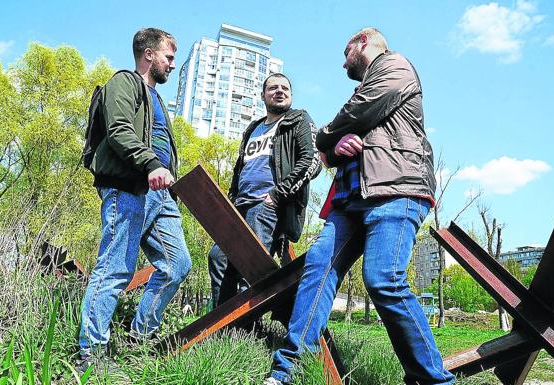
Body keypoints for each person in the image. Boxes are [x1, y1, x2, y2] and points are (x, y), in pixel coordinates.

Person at [263, 28, 454, 385]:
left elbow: (356, 113)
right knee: (318, 268)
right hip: (350, 201)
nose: (342, 62)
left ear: (363, 41)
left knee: (384, 280)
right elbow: (333, 152)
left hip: (396, 190)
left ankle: (433, 380)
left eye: (345, 51)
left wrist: (326, 134)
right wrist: (336, 146)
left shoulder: (395, 66)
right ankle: (287, 371)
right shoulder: (364, 91)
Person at [77, 28, 191, 373]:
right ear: (149, 54)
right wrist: (152, 163)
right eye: (169, 57)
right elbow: (120, 130)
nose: (172, 64)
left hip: (161, 194)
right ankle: (91, 353)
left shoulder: (157, 99)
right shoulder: (124, 82)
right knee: (115, 268)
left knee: (177, 265)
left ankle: (138, 340)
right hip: (128, 186)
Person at [208, 73, 320, 309]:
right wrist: (229, 201)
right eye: (273, 88)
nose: (279, 91)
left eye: (285, 88)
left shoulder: (298, 119)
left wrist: (276, 196)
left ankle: (247, 328)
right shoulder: (252, 129)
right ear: (262, 95)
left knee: (248, 263)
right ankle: (221, 324)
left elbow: (312, 161)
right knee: (218, 257)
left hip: (268, 206)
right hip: (239, 206)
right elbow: (240, 170)